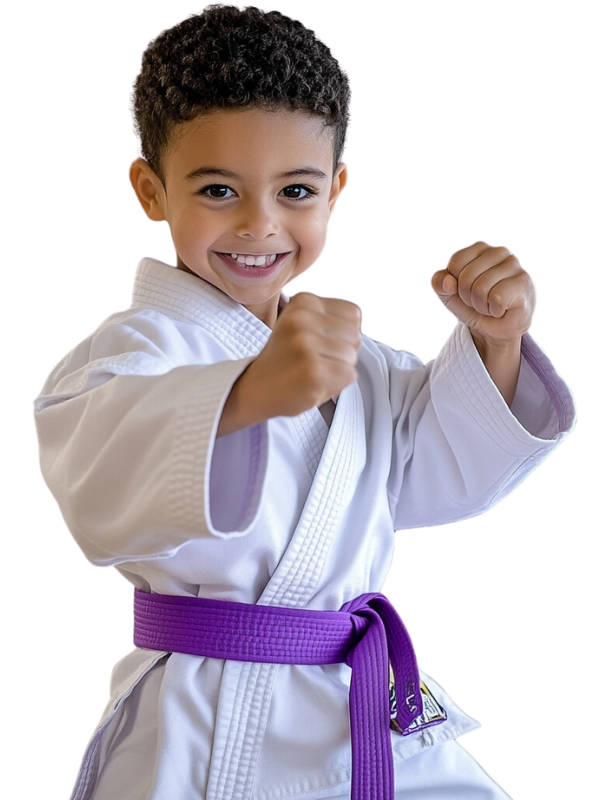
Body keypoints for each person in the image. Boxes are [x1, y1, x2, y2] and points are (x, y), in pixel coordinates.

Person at [32, 5, 577, 799]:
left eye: (295, 190)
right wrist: (245, 396)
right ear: (150, 191)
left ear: (337, 192)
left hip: (360, 711)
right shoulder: (133, 353)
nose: (260, 224)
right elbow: (101, 485)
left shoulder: (353, 358)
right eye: (218, 188)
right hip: (205, 722)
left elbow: (439, 481)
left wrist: (495, 340)